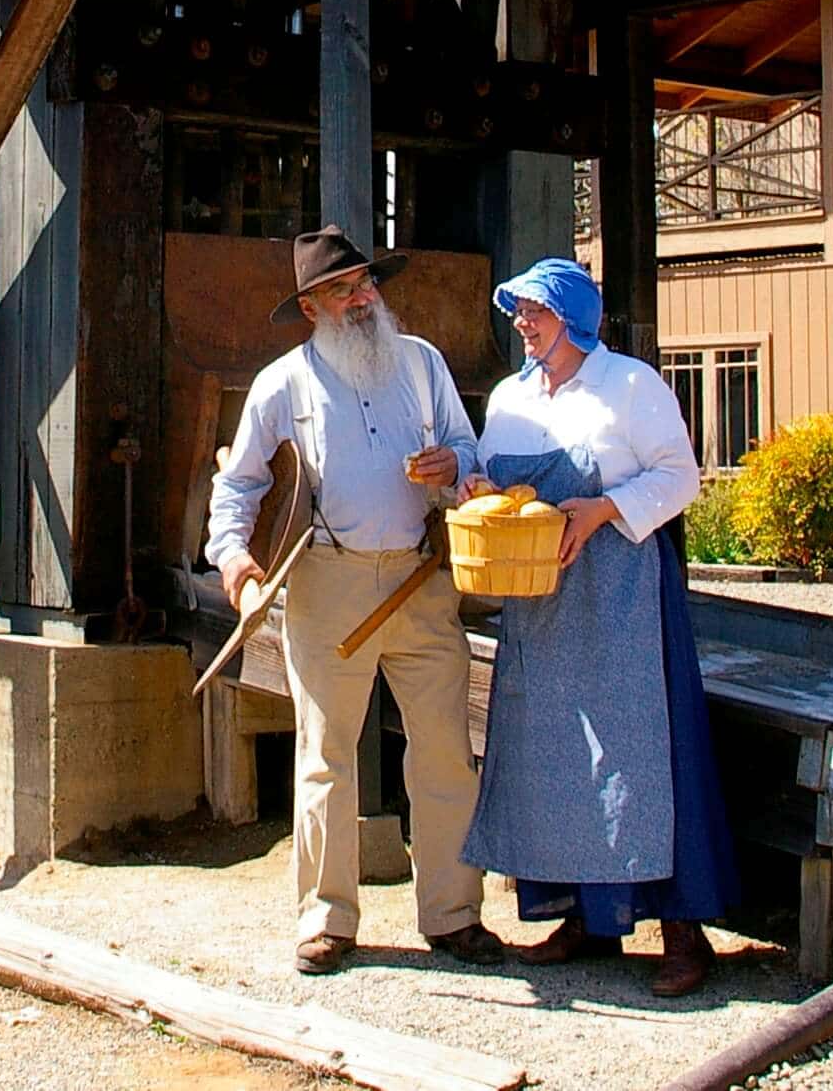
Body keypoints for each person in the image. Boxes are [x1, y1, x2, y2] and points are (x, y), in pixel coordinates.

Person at [206, 225, 503, 976]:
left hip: (421, 576)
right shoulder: (282, 384)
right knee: (326, 756)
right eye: (343, 289)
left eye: (368, 281)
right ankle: (327, 920)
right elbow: (238, 483)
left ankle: (453, 912)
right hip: (325, 583)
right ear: (311, 306)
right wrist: (238, 566)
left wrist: (455, 467)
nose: (364, 297)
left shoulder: (423, 361)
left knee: (445, 751)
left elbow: (473, 458)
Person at [460, 257, 739, 997]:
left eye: (536, 313)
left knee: (643, 757)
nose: (522, 324)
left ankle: (683, 932)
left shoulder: (630, 386)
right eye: (518, 311)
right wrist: (479, 487)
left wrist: (605, 509)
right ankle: (586, 917)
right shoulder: (511, 398)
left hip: (622, 605)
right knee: (555, 759)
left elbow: (682, 478)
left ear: (575, 319)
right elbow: (495, 478)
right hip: (542, 605)